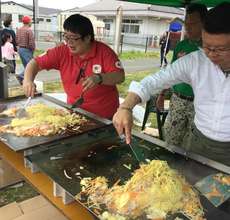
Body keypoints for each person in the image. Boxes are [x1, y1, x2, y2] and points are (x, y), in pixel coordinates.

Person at [113, 2, 230, 166]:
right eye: (206, 46)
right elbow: (154, 81)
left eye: (219, 49)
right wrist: (126, 107)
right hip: (199, 142)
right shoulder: (196, 60)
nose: (210, 55)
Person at [22, 14, 125, 119]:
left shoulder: (104, 52)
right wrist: (27, 81)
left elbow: (120, 76)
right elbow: (34, 63)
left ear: (88, 38)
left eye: (74, 38)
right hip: (75, 112)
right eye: (66, 37)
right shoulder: (62, 51)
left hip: (104, 116)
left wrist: (99, 78)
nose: (69, 42)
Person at [156, 4, 207, 147]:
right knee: (171, 140)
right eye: (186, 23)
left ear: (204, 23)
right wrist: (161, 95)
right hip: (177, 100)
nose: (188, 27)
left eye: (193, 23)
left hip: (199, 105)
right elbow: (170, 73)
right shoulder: (181, 45)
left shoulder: (210, 48)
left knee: (192, 145)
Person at [16, 15, 35, 85]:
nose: (31, 23)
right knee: (31, 67)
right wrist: (32, 50)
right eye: (31, 21)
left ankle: (25, 82)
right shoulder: (29, 30)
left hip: (20, 49)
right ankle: (21, 76)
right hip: (27, 50)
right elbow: (31, 43)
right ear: (28, 22)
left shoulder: (19, 30)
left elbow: (16, 40)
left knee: (26, 66)